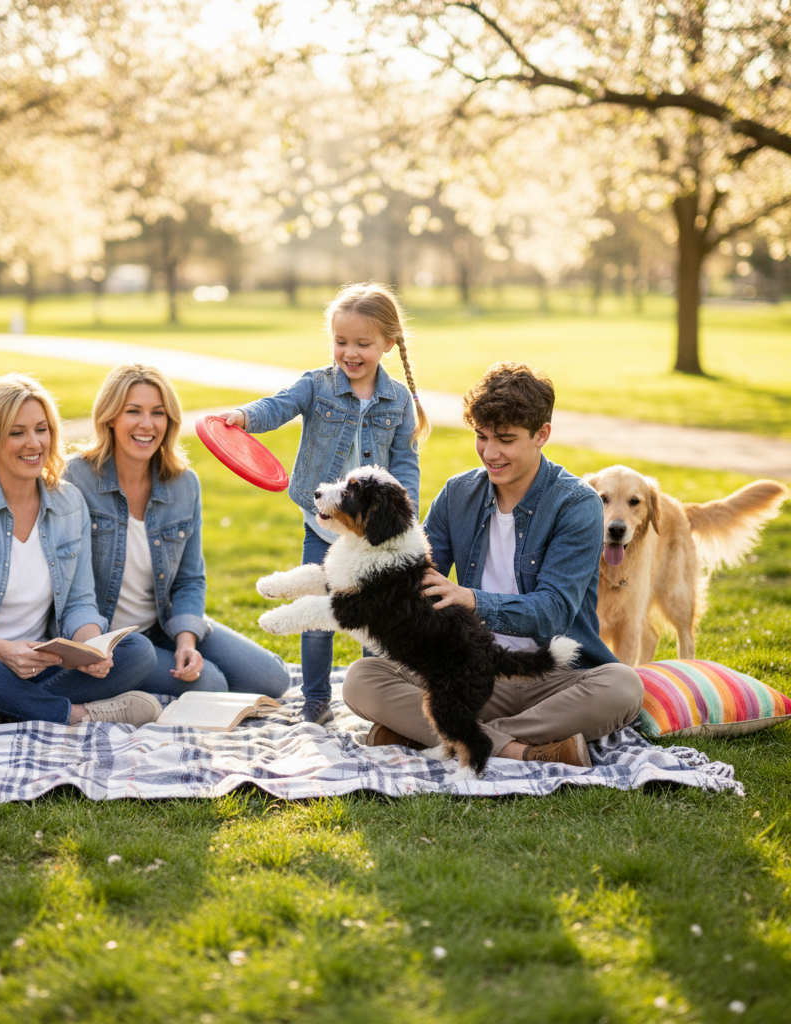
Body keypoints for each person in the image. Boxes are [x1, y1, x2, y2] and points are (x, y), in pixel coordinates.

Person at [343, 361, 643, 766]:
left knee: (624, 686)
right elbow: (412, 576)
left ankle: (445, 734)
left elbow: (553, 612)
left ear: (542, 435)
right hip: (468, 672)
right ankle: (523, 751)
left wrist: (471, 600)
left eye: (505, 439)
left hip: (552, 678)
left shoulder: (577, 504)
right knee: (363, 678)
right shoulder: (457, 494)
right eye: (481, 437)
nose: (490, 452)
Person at [0, 374, 160, 729]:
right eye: (17, 432)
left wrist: (91, 648)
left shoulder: (69, 502)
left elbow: (79, 602)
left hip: (39, 667)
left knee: (138, 653)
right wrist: (3, 652)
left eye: (42, 429)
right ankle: (70, 713)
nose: (33, 443)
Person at [225, 282, 429, 724]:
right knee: (317, 608)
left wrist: (403, 514)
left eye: (362, 343)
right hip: (322, 524)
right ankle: (316, 698)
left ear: (388, 344)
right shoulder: (317, 386)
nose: (349, 353)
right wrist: (244, 417)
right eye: (341, 342)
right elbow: (280, 405)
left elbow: (405, 464)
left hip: (370, 532)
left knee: (372, 618)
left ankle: (375, 696)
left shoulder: (396, 401)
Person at [63, 364, 290, 699]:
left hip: (162, 622)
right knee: (212, 684)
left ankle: (144, 675)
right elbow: (68, 582)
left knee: (272, 680)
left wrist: (186, 640)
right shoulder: (79, 477)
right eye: (133, 411)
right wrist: (92, 645)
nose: (147, 424)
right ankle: (121, 686)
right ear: (110, 417)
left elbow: (190, 579)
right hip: (103, 633)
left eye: (158, 412)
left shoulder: (184, 485)